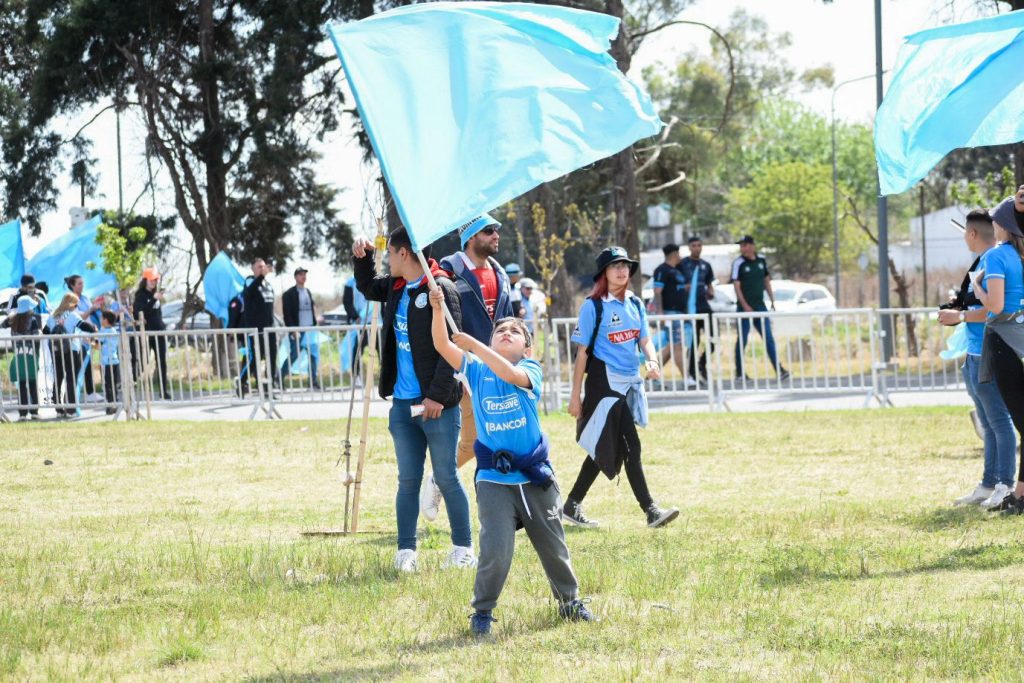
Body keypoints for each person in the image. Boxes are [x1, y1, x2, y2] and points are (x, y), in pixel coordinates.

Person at [428, 287, 593, 637]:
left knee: (553, 546)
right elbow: (442, 344)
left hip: (534, 475)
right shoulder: (475, 370)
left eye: (514, 331)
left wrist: (476, 345)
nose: (506, 333)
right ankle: (482, 612)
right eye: (500, 330)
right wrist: (437, 309)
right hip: (493, 477)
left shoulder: (529, 368)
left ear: (527, 349)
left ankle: (570, 602)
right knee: (495, 551)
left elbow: (509, 375)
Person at [353, 228, 475, 571]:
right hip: (403, 406)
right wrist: (362, 258)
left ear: (404, 253)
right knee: (407, 481)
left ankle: (463, 549)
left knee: (447, 477)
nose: (388, 260)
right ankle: (406, 552)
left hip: (437, 406)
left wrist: (437, 396)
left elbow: (452, 349)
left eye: (390, 253)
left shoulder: (441, 288)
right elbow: (368, 286)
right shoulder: (396, 286)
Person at [562, 246, 679, 529]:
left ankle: (571, 504)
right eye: (615, 265)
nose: (622, 270)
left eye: (625, 265)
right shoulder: (593, 306)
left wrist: (652, 361)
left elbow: (644, 339)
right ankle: (651, 511)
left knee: (606, 445)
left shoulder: (635, 303)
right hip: (604, 383)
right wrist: (575, 396)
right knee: (630, 446)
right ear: (603, 272)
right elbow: (582, 354)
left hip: (629, 382)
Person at [421, 215, 513, 519]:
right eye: (489, 231)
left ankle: (500, 506)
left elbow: (508, 321)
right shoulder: (447, 273)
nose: (496, 235)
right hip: (466, 369)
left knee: (495, 439)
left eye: (497, 230)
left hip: (498, 369)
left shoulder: (500, 274)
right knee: (476, 441)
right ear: (470, 237)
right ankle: (440, 479)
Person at [940, 210, 1017, 508]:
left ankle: (1004, 484)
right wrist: (959, 308)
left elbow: (995, 307)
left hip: (989, 350)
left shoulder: (994, 259)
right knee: (987, 422)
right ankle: (988, 484)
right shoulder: (985, 260)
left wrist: (959, 316)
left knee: (999, 421)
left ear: (972, 233)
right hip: (974, 351)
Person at [972, 194, 1024, 514]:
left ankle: (1019, 495)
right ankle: (1019, 493)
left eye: (995, 219)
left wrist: (978, 288)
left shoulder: (996, 255)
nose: (992, 224)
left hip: (1004, 341)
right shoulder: (1020, 254)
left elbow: (996, 305)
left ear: (1003, 224)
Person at [730, 236, 789, 382]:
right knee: (742, 340)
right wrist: (745, 306)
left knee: (768, 338)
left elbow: (766, 281)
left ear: (752, 246)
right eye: (741, 246)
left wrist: (772, 300)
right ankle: (739, 372)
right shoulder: (739, 263)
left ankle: (779, 369)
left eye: (745, 245)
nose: (743, 248)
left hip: (760, 306)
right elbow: (736, 286)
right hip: (744, 308)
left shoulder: (761, 260)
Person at [46, 292, 97, 417]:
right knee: (71, 379)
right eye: (76, 305)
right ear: (72, 304)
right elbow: (84, 326)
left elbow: (45, 331)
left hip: (56, 351)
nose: (76, 307)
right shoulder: (73, 315)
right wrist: (94, 329)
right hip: (71, 350)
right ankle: (70, 409)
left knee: (58, 378)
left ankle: (58, 409)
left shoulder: (52, 316)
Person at [677, 236, 716, 383]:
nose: (697, 248)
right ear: (689, 247)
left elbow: (709, 284)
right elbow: (676, 284)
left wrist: (711, 292)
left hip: (704, 306)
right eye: (694, 245)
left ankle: (702, 362)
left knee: (714, 339)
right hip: (690, 309)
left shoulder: (706, 265)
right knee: (694, 342)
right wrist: (684, 288)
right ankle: (692, 374)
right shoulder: (682, 264)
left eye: (699, 245)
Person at [651, 243, 692, 383]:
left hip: (679, 313)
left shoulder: (677, 270)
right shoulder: (662, 270)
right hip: (669, 313)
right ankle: (687, 378)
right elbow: (657, 292)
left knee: (670, 348)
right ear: (674, 254)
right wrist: (660, 312)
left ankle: (651, 377)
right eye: (679, 253)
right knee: (677, 346)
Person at [132, 268, 171, 400]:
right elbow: (140, 313)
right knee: (144, 361)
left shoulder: (156, 294)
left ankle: (163, 391)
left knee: (162, 361)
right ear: (145, 280)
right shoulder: (140, 295)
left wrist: (162, 325)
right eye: (151, 280)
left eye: (155, 280)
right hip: (147, 334)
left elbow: (156, 314)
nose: (153, 282)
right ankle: (132, 381)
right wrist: (153, 299)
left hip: (159, 332)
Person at [242, 258, 279, 392]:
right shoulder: (249, 281)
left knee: (272, 357)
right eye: (259, 267)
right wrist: (261, 276)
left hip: (270, 328)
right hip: (256, 329)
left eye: (263, 267)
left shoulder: (267, 285)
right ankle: (242, 381)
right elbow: (249, 292)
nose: (262, 269)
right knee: (256, 357)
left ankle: (270, 385)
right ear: (252, 269)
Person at [281, 266, 322, 389]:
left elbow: (312, 309)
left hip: (310, 330)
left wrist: (316, 322)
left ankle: (313, 381)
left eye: (304, 274)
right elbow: (287, 314)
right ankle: (279, 378)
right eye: (300, 274)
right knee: (294, 355)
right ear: (295, 277)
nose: (303, 276)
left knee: (313, 356)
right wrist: (293, 330)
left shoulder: (308, 291)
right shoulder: (289, 294)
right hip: (298, 330)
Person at [3, 296, 42, 420]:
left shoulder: (13, 320)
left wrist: (11, 315)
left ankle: (22, 413)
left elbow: (3, 324)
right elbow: (36, 337)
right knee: (32, 383)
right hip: (30, 354)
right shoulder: (33, 320)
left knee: (21, 384)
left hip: (18, 355)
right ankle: (34, 412)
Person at [65, 275, 103, 402]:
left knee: (88, 364)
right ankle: (71, 395)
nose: (82, 286)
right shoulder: (71, 299)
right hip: (78, 338)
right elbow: (78, 317)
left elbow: (90, 315)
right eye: (79, 283)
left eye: (83, 283)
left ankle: (90, 392)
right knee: (78, 367)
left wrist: (96, 307)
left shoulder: (85, 298)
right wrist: (91, 309)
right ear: (72, 286)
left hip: (89, 337)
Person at [98, 311, 122, 415]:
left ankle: (110, 404)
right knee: (114, 384)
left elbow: (97, 345)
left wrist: (88, 341)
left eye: (102, 318)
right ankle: (115, 403)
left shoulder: (104, 331)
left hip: (107, 361)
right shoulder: (114, 330)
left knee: (107, 384)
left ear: (106, 320)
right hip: (115, 360)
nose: (100, 320)